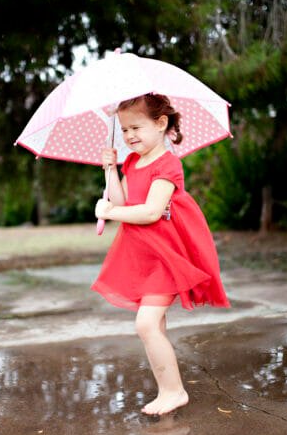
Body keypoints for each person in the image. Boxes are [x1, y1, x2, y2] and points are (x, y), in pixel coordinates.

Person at [92, 93, 230, 416]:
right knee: (155, 326)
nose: (129, 137)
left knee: (146, 324)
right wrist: (110, 171)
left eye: (135, 128)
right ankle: (166, 388)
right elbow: (123, 201)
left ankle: (174, 391)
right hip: (141, 256)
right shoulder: (131, 162)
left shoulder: (168, 165)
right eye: (124, 130)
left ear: (161, 123)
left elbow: (152, 211)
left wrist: (111, 212)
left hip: (165, 255)